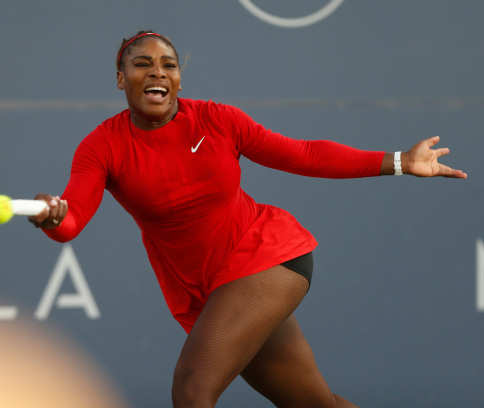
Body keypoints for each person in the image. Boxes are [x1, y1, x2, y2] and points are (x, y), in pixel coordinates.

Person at [29, 30, 467, 408]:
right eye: (142, 64)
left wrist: (400, 161)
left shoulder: (218, 119)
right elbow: (71, 220)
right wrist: (53, 218)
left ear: (179, 79)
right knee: (312, 403)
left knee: (191, 389)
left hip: (265, 259)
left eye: (168, 65)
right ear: (121, 78)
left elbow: (304, 154)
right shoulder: (101, 146)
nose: (157, 72)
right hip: (206, 287)